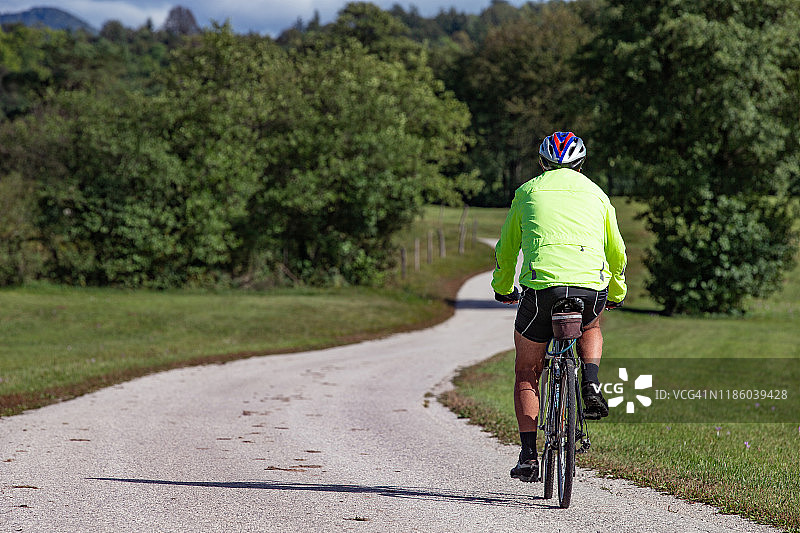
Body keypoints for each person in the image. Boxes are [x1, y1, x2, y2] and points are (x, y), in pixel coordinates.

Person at [491, 131, 627, 483]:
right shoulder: (598, 194)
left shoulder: (527, 192)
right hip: (589, 287)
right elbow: (617, 252)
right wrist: (616, 290)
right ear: (582, 164)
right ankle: (591, 381)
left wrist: (502, 287)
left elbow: (507, 249)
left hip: (542, 288)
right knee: (591, 326)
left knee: (526, 372)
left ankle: (527, 455)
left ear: (542, 163)